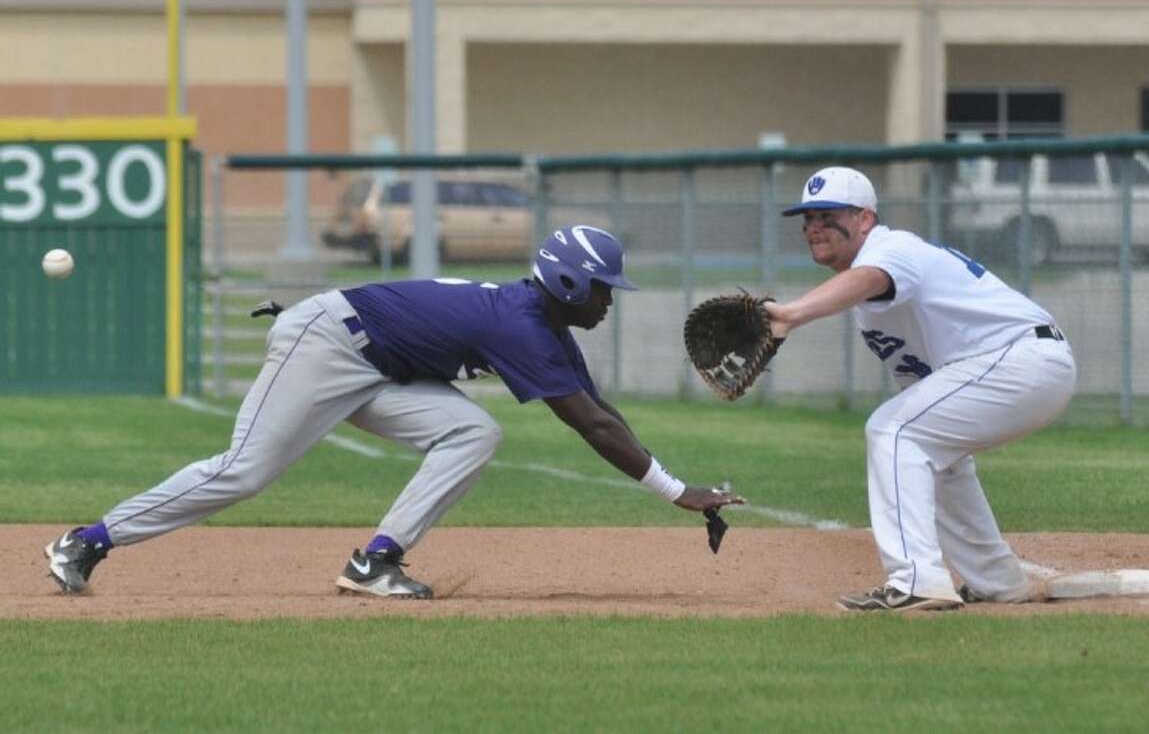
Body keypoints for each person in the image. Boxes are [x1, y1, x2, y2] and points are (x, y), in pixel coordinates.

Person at [45, 224, 743, 598]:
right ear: (566, 282)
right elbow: (588, 426)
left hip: (376, 363)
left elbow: (599, 409)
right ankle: (87, 540)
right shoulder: (524, 326)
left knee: (473, 430)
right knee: (244, 471)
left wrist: (679, 484)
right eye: (601, 288)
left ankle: (377, 560)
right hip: (329, 344)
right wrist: (677, 492)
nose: (609, 300)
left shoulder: (545, 325)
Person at [765, 167, 1076, 612]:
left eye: (828, 214)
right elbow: (920, 377)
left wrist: (791, 314)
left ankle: (916, 579)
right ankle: (995, 580)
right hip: (1011, 365)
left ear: (865, 219)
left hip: (1020, 358)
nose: (814, 226)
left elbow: (869, 278)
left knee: (893, 431)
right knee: (933, 453)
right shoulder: (867, 307)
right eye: (808, 217)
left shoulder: (894, 248)